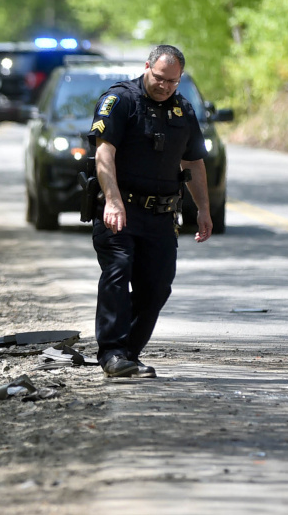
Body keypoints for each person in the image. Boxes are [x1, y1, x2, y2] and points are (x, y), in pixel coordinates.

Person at [87, 44, 212, 378]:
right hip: (120, 210)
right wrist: (112, 200)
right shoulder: (120, 100)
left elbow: (194, 162)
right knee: (118, 272)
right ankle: (112, 352)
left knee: (157, 287)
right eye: (159, 78)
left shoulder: (182, 110)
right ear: (147, 67)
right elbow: (104, 154)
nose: (165, 86)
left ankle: (128, 353)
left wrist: (203, 209)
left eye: (172, 81)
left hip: (160, 215)